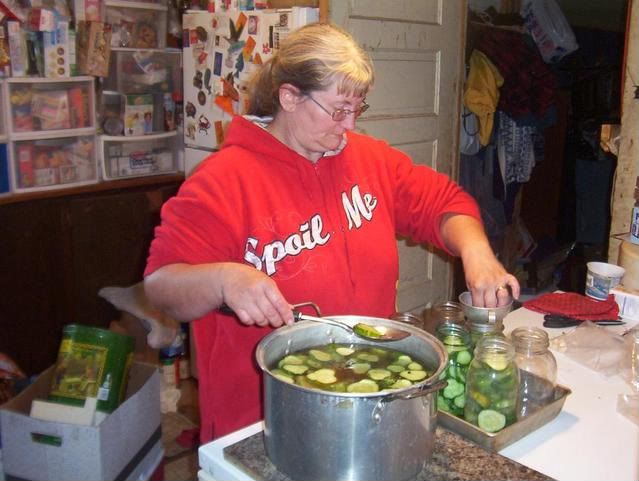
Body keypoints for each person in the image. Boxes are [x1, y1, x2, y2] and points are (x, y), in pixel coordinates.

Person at [143, 22, 520, 444]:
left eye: (358, 110)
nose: (350, 126)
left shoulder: (370, 159)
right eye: (339, 110)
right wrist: (224, 279)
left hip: (368, 396)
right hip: (261, 417)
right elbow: (161, 285)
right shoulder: (222, 181)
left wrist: (478, 253)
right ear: (289, 97)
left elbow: (444, 203)